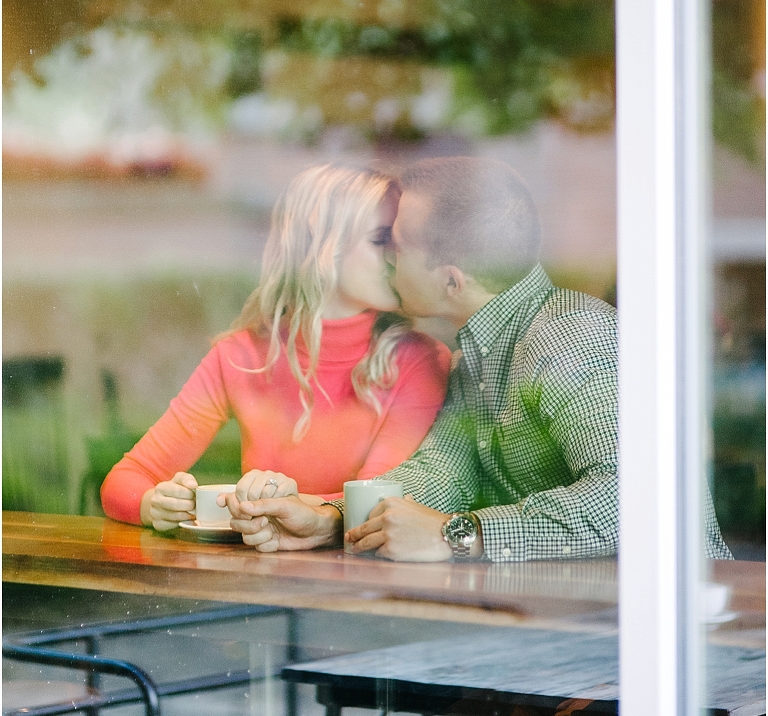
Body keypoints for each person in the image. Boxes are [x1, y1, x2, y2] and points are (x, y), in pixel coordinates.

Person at [225, 156, 731, 562]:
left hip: (675, 642)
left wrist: (455, 535)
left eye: (395, 245)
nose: (386, 260)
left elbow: (639, 499)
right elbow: (441, 475)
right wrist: (330, 520)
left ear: (451, 280)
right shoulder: (481, 351)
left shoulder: (571, 337)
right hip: (583, 624)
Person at [101, 164, 452, 530]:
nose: (399, 257)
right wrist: (152, 505)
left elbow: (374, 503)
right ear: (321, 247)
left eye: (401, 242)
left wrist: (287, 504)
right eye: (381, 240)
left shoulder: (420, 360)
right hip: (259, 561)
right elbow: (126, 479)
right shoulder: (240, 356)